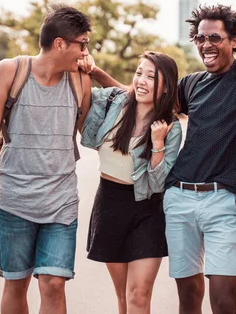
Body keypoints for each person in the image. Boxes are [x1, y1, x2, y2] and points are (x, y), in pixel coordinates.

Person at [84, 4, 236, 314]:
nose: (206, 44)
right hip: (179, 197)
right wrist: (96, 72)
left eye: (215, 37)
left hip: (224, 200)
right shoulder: (192, 83)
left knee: (222, 298)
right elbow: (140, 98)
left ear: (234, 41)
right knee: (189, 295)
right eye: (200, 37)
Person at [0, 5, 92, 314]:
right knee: (16, 282)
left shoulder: (80, 82)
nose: (85, 52)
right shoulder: (10, 71)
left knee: (53, 283)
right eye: (82, 44)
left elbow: (92, 131)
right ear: (60, 43)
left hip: (61, 205)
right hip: (14, 201)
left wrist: (95, 72)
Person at [80, 51, 182, 314]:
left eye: (151, 76)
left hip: (147, 209)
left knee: (138, 295)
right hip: (110, 204)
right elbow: (85, 92)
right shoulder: (114, 103)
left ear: (167, 87)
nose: (142, 81)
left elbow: (159, 183)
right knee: (123, 298)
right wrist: (91, 68)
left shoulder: (169, 126)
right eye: (139, 73)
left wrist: (157, 144)